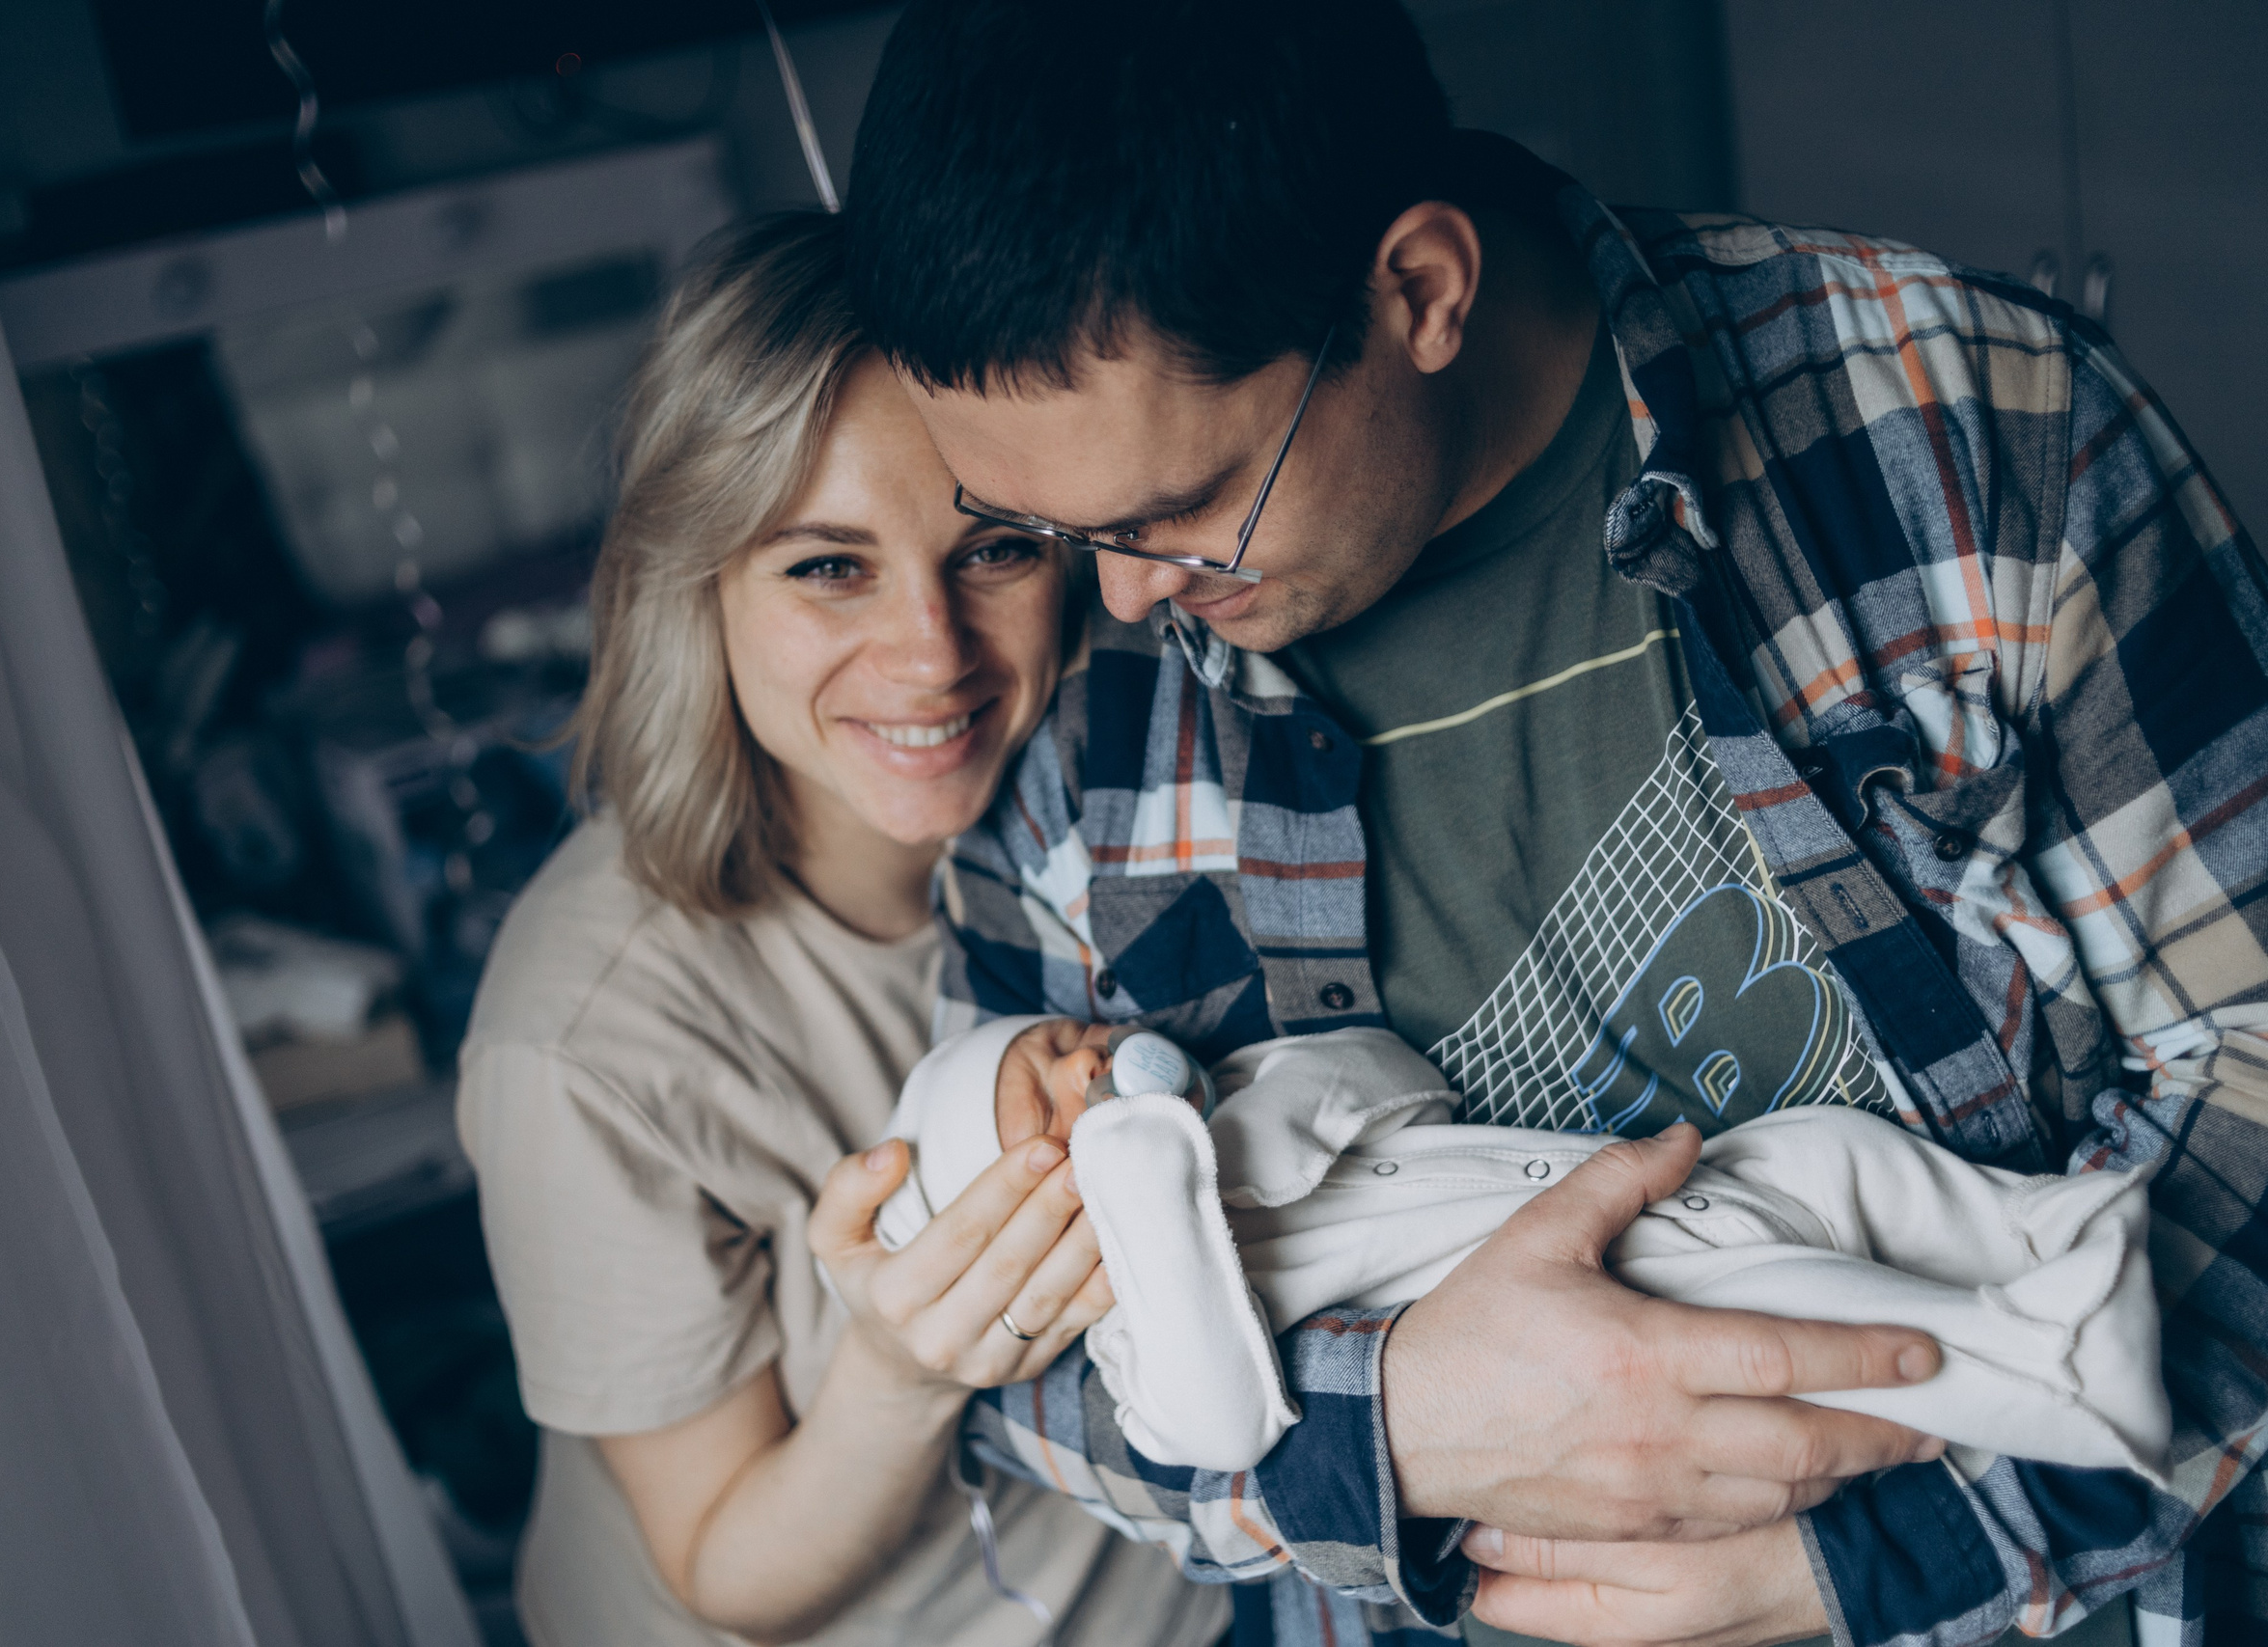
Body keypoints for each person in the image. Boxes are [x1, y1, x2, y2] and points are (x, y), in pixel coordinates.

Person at [838, 2, 2268, 1644]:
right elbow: (1021, 1378)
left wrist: (1868, 1564)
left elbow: (2252, 1061)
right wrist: (1396, 1430)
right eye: (1032, 522)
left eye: (1177, 510)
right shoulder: (1080, 707)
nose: (1124, 596)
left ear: (1419, 290)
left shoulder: (1968, 436)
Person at [454, 211, 1229, 1647]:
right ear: (698, 582)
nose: (932, 654)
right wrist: (902, 1371)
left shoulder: (1163, 793)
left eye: (992, 549)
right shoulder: (582, 1039)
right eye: (829, 567)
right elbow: (726, 1566)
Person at [877, 1016, 2166, 1483]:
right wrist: (1140, 1174)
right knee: (1820, 1326)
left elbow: (1397, 1080)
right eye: (1047, 1118)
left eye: (1073, 1041)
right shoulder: (1141, 1347)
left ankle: (2047, 1230)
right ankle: (2068, 1373)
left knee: (1841, 1154)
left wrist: (1216, 1110)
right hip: (1630, 1290)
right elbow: (1223, 1428)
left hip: (1689, 1179)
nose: (1092, 1075)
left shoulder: (1244, 1101)